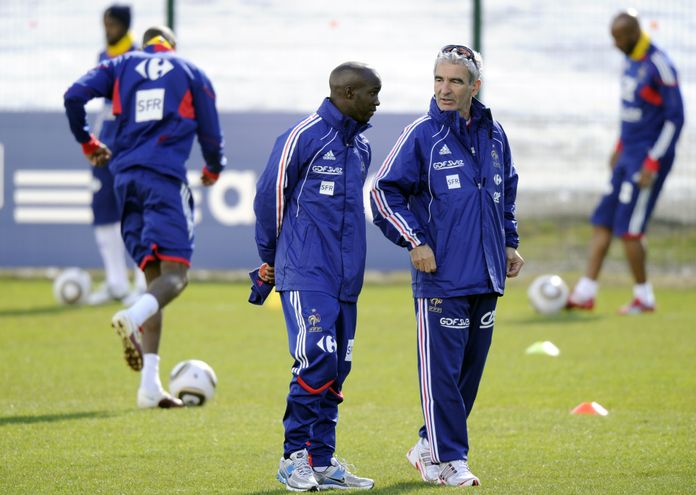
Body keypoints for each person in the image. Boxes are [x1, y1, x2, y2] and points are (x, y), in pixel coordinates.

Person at [370, 45, 523, 486]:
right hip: (441, 278)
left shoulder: (496, 136)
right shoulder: (422, 134)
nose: (444, 89)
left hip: (488, 273)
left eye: (455, 81)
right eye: (438, 79)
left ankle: (428, 447)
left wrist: (509, 243)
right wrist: (414, 240)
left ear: (475, 86)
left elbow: (504, 192)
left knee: (467, 376)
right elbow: (383, 192)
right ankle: (450, 458)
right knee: (442, 374)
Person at [63, 27, 226, 408]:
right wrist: (215, 169)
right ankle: (133, 317)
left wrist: (87, 141)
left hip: (125, 180)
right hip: (165, 179)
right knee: (177, 276)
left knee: (154, 280)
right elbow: (212, 135)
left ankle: (149, 386)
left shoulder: (121, 65)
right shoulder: (190, 72)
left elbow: (73, 95)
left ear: (145, 45)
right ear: (172, 46)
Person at [253, 62, 380, 491]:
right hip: (306, 272)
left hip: (347, 280)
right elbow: (268, 197)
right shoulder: (301, 137)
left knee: (337, 369)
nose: (378, 102)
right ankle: (293, 459)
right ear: (346, 94)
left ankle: (322, 462)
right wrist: (272, 259)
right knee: (316, 359)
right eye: (372, 93)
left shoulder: (361, 149)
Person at [567, 10, 684, 314]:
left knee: (630, 229)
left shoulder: (660, 65)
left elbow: (675, 119)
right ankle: (585, 292)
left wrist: (653, 161)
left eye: (619, 37)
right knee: (603, 220)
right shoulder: (630, 61)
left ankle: (644, 297)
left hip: (646, 159)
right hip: (627, 153)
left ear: (633, 33)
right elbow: (632, 111)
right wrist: (618, 145)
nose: (614, 43)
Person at [86, 4, 145, 306]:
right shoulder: (102, 56)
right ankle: (115, 283)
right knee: (102, 211)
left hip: (127, 146)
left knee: (131, 213)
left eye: (111, 24)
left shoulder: (137, 57)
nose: (107, 29)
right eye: (104, 24)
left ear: (124, 25)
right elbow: (102, 107)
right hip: (104, 147)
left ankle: (141, 284)